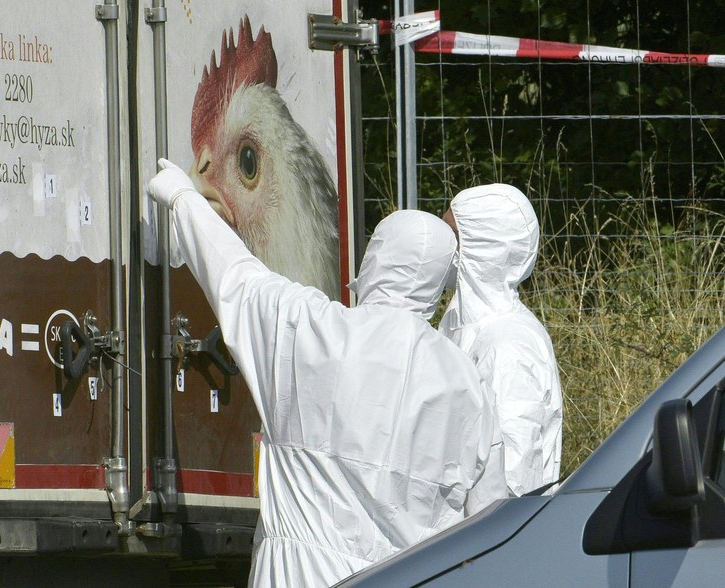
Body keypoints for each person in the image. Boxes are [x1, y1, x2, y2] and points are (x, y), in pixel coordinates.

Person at [148, 159, 498, 588]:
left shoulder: (316, 331)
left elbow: (236, 277)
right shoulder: (468, 384)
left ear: (378, 258)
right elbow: (487, 518)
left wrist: (184, 200)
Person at [439, 183, 564, 498]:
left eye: (450, 236)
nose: (439, 249)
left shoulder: (508, 343)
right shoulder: (464, 323)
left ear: (484, 247)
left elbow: (509, 480)